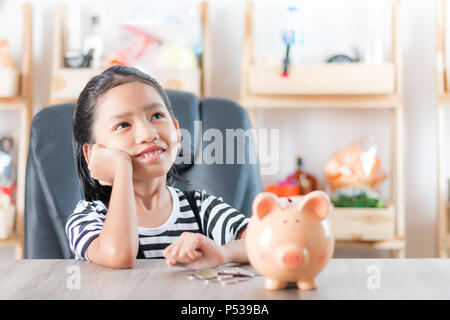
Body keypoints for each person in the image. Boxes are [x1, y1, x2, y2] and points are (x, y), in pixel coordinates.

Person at [65, 65, 249, 269]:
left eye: (156, 116)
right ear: (91, 153)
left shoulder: (201, 208)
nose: (148, 134)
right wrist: (121, 168)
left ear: (177, 131)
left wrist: (222, 253)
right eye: (123, 125)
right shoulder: (88, 217)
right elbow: (118, 256)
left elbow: (266, 240)